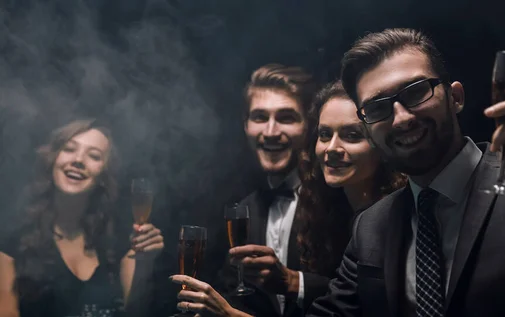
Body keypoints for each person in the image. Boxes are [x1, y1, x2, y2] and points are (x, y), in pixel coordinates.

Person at [306, 28, 505, 317]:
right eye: (377, 107)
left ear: (455, 97)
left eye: (416, 91)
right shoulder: (371, 225)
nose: (402, 118)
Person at [170, 64, 323, 317]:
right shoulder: (244, 211)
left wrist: (295, 282)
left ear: (308, 125)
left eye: (286, 118)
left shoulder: (336, 198)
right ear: (246, 126)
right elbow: (235, 296)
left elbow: (364, 294)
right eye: (260, 118)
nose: (271, 132)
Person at [0, 119, 165, 317]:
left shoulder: (119, 243)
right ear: (53, 160)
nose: (78, 160)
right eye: (69, 149)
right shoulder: (12, 242)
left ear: (104, 175)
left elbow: (135, 314)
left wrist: (144, 263)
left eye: (94, 156)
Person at [295, 80, 406, 279]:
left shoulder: (399, 218)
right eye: (325, 134)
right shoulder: (324, 209)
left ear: (381, 145)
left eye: (352, 135)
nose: (332, 148)